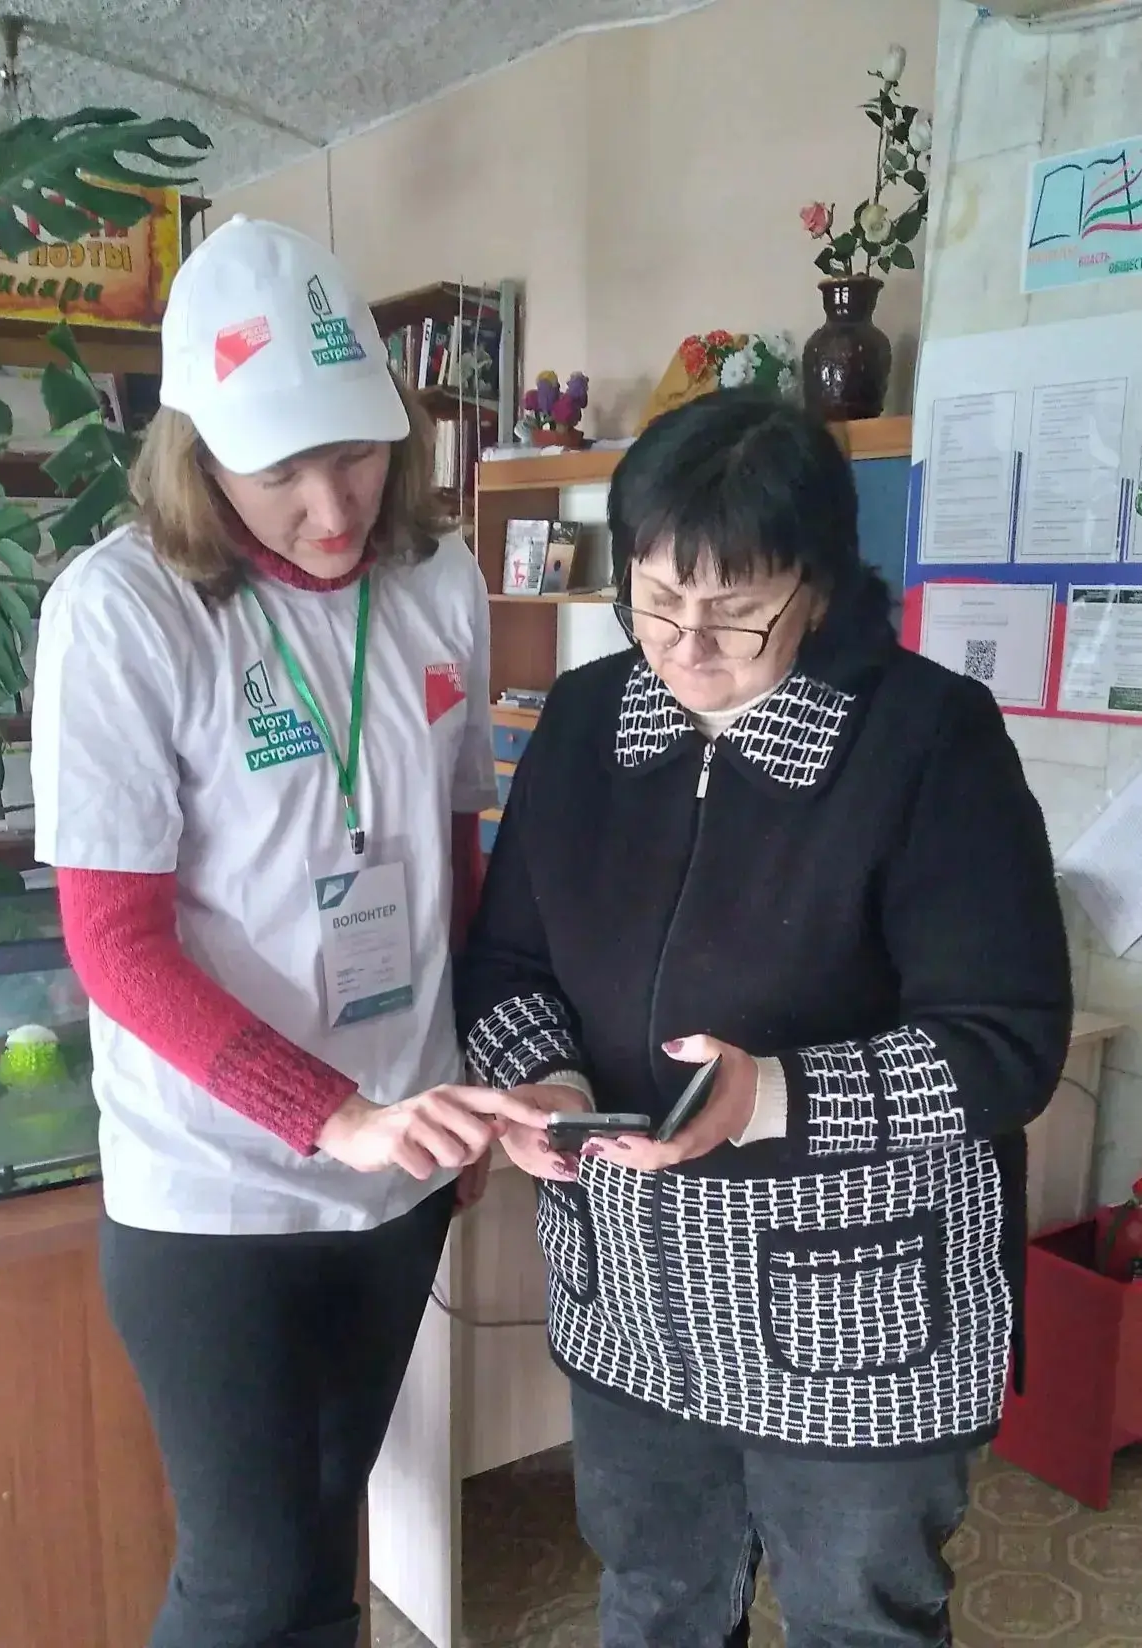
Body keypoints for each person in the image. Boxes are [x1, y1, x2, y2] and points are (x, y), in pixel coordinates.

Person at [455, 388, 1073, 1648]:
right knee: (656, 1603)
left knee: (860, 1622)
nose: (687, 644)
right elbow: (508, 961)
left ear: (821, 584)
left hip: (860, 1316)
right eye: (656, 598)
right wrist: (546, 1081)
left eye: (736, 610)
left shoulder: (926, 739)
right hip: (632, 1299)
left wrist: (772, 1095)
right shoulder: (585, 720)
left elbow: (1004, 1040)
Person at [30, 215, 546, 1648]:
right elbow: (117, 946)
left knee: (326, 1541)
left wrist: (455, 1083)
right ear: (199, 455)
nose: (332, 507)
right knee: (246, 1577)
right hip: (217, 1193)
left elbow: (452, 856)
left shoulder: (436, 580)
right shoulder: (123, 613)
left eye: (358, 455)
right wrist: (335, 1116)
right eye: (282, 473)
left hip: (398, 1169)